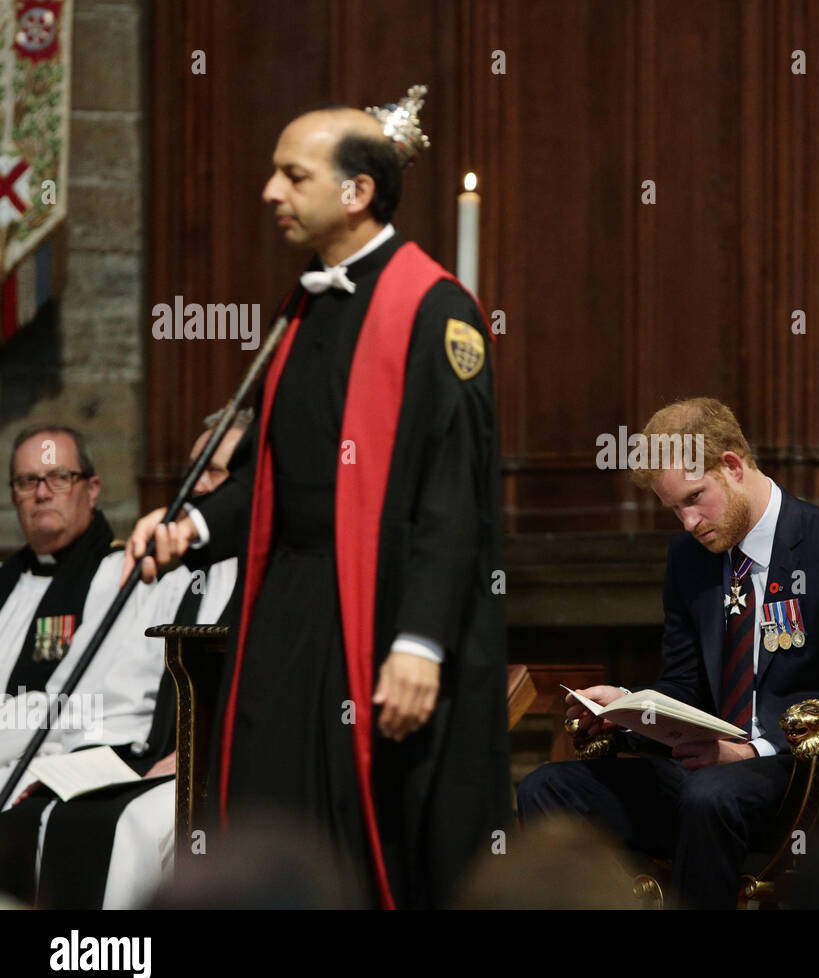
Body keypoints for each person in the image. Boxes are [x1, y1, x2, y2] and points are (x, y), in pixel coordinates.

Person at [123, 89, 509, 908]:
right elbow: (274, 479)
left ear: (356, 192)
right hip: (291, 608)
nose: (270, 192)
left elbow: (455, 500)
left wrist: (420, 643)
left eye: (292, 176)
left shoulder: (436, 312)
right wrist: (189, 523)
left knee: (373, 833)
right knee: (273, 812)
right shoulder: (302, 304)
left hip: (385, 612)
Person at [517, 398, 819, 908]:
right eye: (675, 508)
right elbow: (685, 684)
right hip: (716, 774)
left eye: (695, 498)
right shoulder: (690, 559)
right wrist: (629, 707)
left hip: (815, 776)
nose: (688, 522)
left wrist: (752, 750)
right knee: (547, 787)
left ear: (732, 465)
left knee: (711, 794)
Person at [21, 414, 246, 908]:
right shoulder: (171, 567)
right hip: (152, 751)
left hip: (225, 761)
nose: (199, 484)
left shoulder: (270, 567)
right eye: (193, 470)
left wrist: (194, 752)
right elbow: (123, 681)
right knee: (53, 810)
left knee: (133, 828)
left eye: (217, 471)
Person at [0, 425, 192, 900]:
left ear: (93, 487)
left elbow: (86, 705)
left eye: (58, 477)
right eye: (27, 481)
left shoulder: (119, 574)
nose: (41, 493)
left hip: (57, 752)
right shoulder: (4, 582)